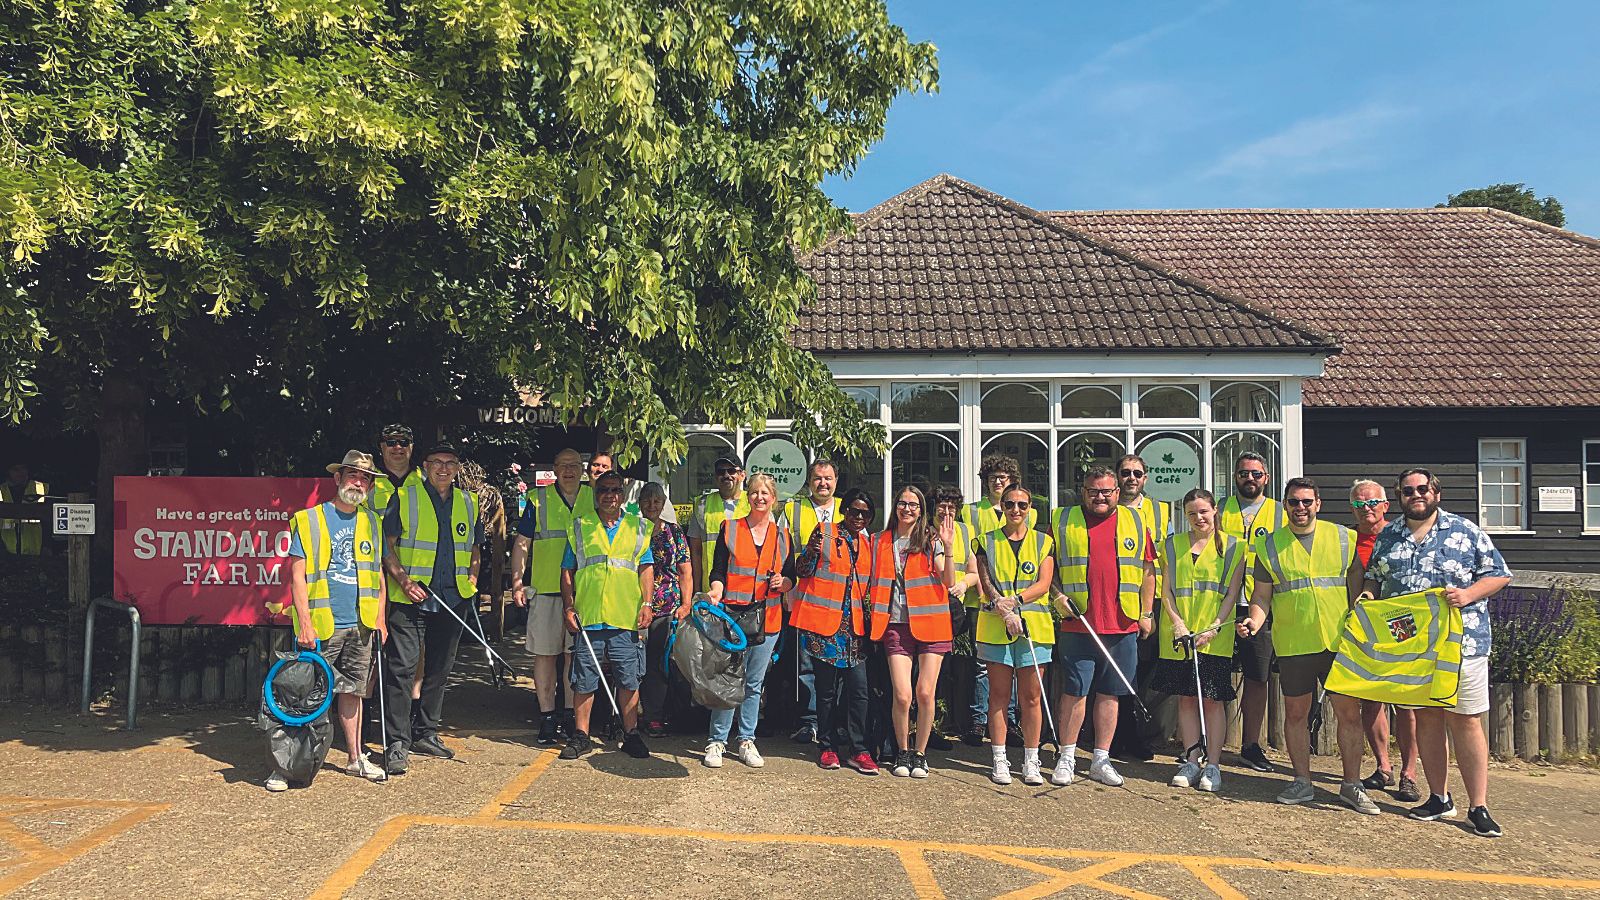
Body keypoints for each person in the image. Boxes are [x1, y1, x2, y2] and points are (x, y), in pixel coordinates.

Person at [1363, 468, 1512, 837]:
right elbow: (1374, 577)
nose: (1416, 495)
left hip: (1462, 645)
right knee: (1427, 718)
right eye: (1407, 490)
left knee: (1465, 719)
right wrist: (1368, 594)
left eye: (1422, 489)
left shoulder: (1465, 531)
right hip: (1411, 648)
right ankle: (1439, 797)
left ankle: (1479, 806)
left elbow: (1499, 573)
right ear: (1398, 496)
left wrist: (1469, 595)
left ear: (1436, 492)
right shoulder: (1388, 537)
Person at [1237, 477, 1371, 812]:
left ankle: (1351, 785)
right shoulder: (1269, 546)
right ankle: (1302, 782)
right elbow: (1261, 597)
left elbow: (1356, 585)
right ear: (1285, 505)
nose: (1300, 508)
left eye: (1306, 502)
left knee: (1349, 715)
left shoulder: (1343, 537)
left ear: (1318, 504)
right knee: (1295, 714)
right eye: (1294, 502)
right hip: (1295, 643)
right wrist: (1254, 620)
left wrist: (1360, 623)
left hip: (1340, 641)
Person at [270, 451, 389, 791]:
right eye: (352, 475)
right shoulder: (308, 520)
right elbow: (296, 575)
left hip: (361, 624)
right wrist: (303, 623)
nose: (359, 482)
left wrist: (380, 618)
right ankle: (285, 765)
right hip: (322, 625)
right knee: (302, 695)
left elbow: (377, 573)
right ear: (337, 479)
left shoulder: (372, 522)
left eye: (365, 478)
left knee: (353, 692)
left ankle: (355, 759)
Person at [1049, 465, 1156, 788]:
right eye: (1093, 491)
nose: (1100, 497)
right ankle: (1066, 757)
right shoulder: (1062, 519)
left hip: (1122, 622)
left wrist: (1147, 613)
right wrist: (1057, 596)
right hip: (1078, 622)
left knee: (1110, 694)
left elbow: (1148, 570)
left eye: (1106, 492)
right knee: (1074, 692)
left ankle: (1100, 758)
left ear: (1117, 493)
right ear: (1083, 492)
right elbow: (1047, 567)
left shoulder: (1136, 521)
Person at [379, 443, 481, 775]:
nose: (443, 468)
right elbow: (386, 546)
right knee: (403, 669)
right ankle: (396, 741)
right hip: (410, 599)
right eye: (437, 462)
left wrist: (473, 579)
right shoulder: (406, 497)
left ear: (457, 468)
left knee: (440, 670)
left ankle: (427, 732)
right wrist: (404, 581)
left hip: (453, 597)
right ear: (424, 465)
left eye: (450, 463)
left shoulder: (469, 502)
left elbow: (476, 547)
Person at [695, 473, 793, 768]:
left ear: (774, 499)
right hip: (733, 619)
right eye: (754, 492)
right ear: (747, 496)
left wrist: (784, 582)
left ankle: (747, 739)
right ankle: (717, 741)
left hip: (768, 618)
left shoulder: (783, 536)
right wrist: (715, 590)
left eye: (765, 493)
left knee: (754, 682)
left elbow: (792, 577)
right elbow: (718, 571)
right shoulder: (731, 528)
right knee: (728, 680)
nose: (759, 497)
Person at [1152, 489, 1245, 793]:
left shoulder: (1234, 547)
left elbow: (1232, 593)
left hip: (1212, 637)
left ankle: (1214, 765)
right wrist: (1177, 623)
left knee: (1212, 700)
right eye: (1192, 513)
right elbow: (1165, 591)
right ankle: (1192, 759)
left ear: (1215, 510)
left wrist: (1216, 627)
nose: (1198, 518)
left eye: (1203, 511)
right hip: (1180, 636)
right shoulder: (1172, 545)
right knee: (1187, 699)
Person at [559, 471, 654, 760]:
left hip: (625, 619)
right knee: (584, 680)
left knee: (629, 680)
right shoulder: (580, 526)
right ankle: (581, 736)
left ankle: (631, 734)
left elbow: (646, 568)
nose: (609, 495)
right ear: (595, 493)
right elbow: (567, 570)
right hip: (589, 617)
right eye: (603, 490)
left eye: (614, 490)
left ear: (623, 495)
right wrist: (568, 606)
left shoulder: (639, 527)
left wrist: (647, 604)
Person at [867, 485, 960, 779]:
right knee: (903, 694)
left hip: (932, 623)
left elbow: (947, 581)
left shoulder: (931, 540)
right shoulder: (879, 540)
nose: (907, 509)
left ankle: (920, 754)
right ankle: (902, 751)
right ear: (895, 507)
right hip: (894, 623)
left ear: (921, 510)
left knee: (924, 691)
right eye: (903, 503)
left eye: (914, 505)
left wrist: (949, 546)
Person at [787, 488, 877, 774]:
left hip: (856, 632)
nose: (858, 517)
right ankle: (827, 747)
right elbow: (801, 570)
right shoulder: (824, 532)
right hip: (826, 628)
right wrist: (810, 553)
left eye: (864, 513)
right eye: (853, 511)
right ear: (844, 511)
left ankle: (859, 749)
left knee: (859, 691)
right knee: (826, 692)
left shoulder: (869, 543)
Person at [972, 484, 1056, 786]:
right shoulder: (985, 541)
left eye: (1022, 505)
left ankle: (1031, 760)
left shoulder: (1043, 542)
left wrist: (1016, 603)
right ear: (1002, 508)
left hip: (1034, 629)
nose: (1016, 510)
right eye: (1010, 505)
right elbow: (986, 582)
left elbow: (1044, 583)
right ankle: (999, 758)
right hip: (996, 627)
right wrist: (1003, 610)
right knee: (999, 696)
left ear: (1030, 508)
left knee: (1031, 697)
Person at [511, 448, 594, 745]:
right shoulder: (538, 498)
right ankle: (547, 717)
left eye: (574, 465)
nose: (569, 471)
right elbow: (523, 542)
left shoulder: (595, 495)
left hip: (583, 590)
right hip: (545, 588)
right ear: (554, 470)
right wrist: (518, 582)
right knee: (546, 655)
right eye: (563, 466)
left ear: (582, 469)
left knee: (575, 655)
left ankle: (571, 716)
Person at [1349, 479, 1420, 804]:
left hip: (1404, 627)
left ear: (1385, 505)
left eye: (1373, 502)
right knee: (1371, 700)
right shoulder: (1347, 540)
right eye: (1361, 504)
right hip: (1365, 628)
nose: (1368, 509)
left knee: (1406, 704)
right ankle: (1383, 767)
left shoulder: (1402, 536)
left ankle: (1409, 774)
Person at [1219, 451, 1286, 774]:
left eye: (1256, 474)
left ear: (1266, 478)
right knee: (1213, 672)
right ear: (1235, 477)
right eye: (1244, 473)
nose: (1250, 479)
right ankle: (1207, 742)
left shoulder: (1280, 512)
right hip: (1222, 602)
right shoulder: (1220, 509)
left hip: (1261, 603)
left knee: (1258, 676)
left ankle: (1250, 745)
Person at [960, 454, 1031, 747]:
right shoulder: (971, 511)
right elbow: (970, 553)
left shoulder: (1029, 511)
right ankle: (979, 721)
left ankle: (1010, 722)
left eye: (1004, 477)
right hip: (983, 599)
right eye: (993, 477)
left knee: (1012, 663)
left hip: (1016, 599)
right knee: (983, 663)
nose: (998, 481)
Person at [1111, 453, 1173, 762]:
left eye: (1137, 473)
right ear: (1117, 476)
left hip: (1154, 600)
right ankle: (1119, 734)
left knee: (1145, 672)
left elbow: (1169, 556)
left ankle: (1141, 734)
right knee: (1121, 671)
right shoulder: (1107, 508)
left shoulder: (1161, 512)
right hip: (1117, 601)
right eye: (1125, 472)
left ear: (1145, 479)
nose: (1131, 478)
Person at [780, 459, 841, 744]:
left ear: (836, 481)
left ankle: (834, 722)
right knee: (805, 665)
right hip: (803, 598)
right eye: (817, 479)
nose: (823, 484)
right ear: (809, 481)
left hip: (839, 602)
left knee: (836, 664)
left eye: (828, 479)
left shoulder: (847, 509)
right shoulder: (793, 509)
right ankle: (809, 722)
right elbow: (780, 552)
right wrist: (786, 590)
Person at [638, 482, 691, 736]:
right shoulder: (633, 529)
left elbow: (685, 571)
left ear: (663, 503)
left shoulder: (674, 532)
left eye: (656, 500)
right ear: (639, 503)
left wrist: (686, 603)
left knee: (660, 663)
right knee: (634, 663)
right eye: (646, 500)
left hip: (666, 606)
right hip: (634, 605)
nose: (651, 505)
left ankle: (655, 716)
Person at [931, 484, 980, 742]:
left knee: (957, 669)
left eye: (952, 507)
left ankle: (953, 722)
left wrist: (964, 584)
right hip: (931, 607)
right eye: (942, 506)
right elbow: (939, 569)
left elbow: (973, 570)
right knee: (933, 670)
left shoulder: (964, 530)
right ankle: (932, 726)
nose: (947, 511)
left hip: (957, 609)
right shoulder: (925, 531)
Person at [689, 455, 749, 593]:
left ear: (742, 475)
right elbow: (696, 553)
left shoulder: (754, 502)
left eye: (731, 471)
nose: (726, 475)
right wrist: (697, 590)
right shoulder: (702, 505)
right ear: (716, 477)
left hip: (744, 589)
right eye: (721, 472)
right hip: (711, 589)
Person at [368, 424, 423, 515]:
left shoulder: (428, 479)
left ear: (412, 446)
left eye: (404, 442)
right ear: (381, 446)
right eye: (391, 442)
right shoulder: (366, 479)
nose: (398, 447)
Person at [0, 462, 47, 556]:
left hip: (35, 550)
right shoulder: (1, 490)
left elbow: (49, 520)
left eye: (23, 468)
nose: (20, 473)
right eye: (15, 469)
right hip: (6, 552)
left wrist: (47, 546)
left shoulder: (41, 488)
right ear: (8, 472)